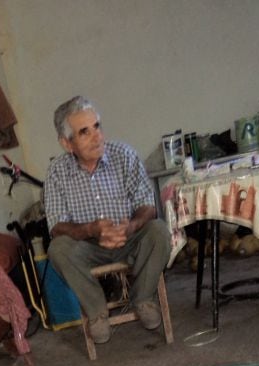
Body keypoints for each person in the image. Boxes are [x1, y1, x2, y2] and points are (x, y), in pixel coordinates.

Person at [44, 96, 171, 344]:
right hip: (90, 248)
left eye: (97, 126)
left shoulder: (124, 155)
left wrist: (131, 225)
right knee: (57, 248)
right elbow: (57, 226)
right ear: (67, 143)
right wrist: (92, 229)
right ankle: (97, 312)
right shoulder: (57, 172)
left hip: (130, 238)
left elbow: (147, 205)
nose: (97, 137)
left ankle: (143, 297)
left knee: (158, 230)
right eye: (84, 132)